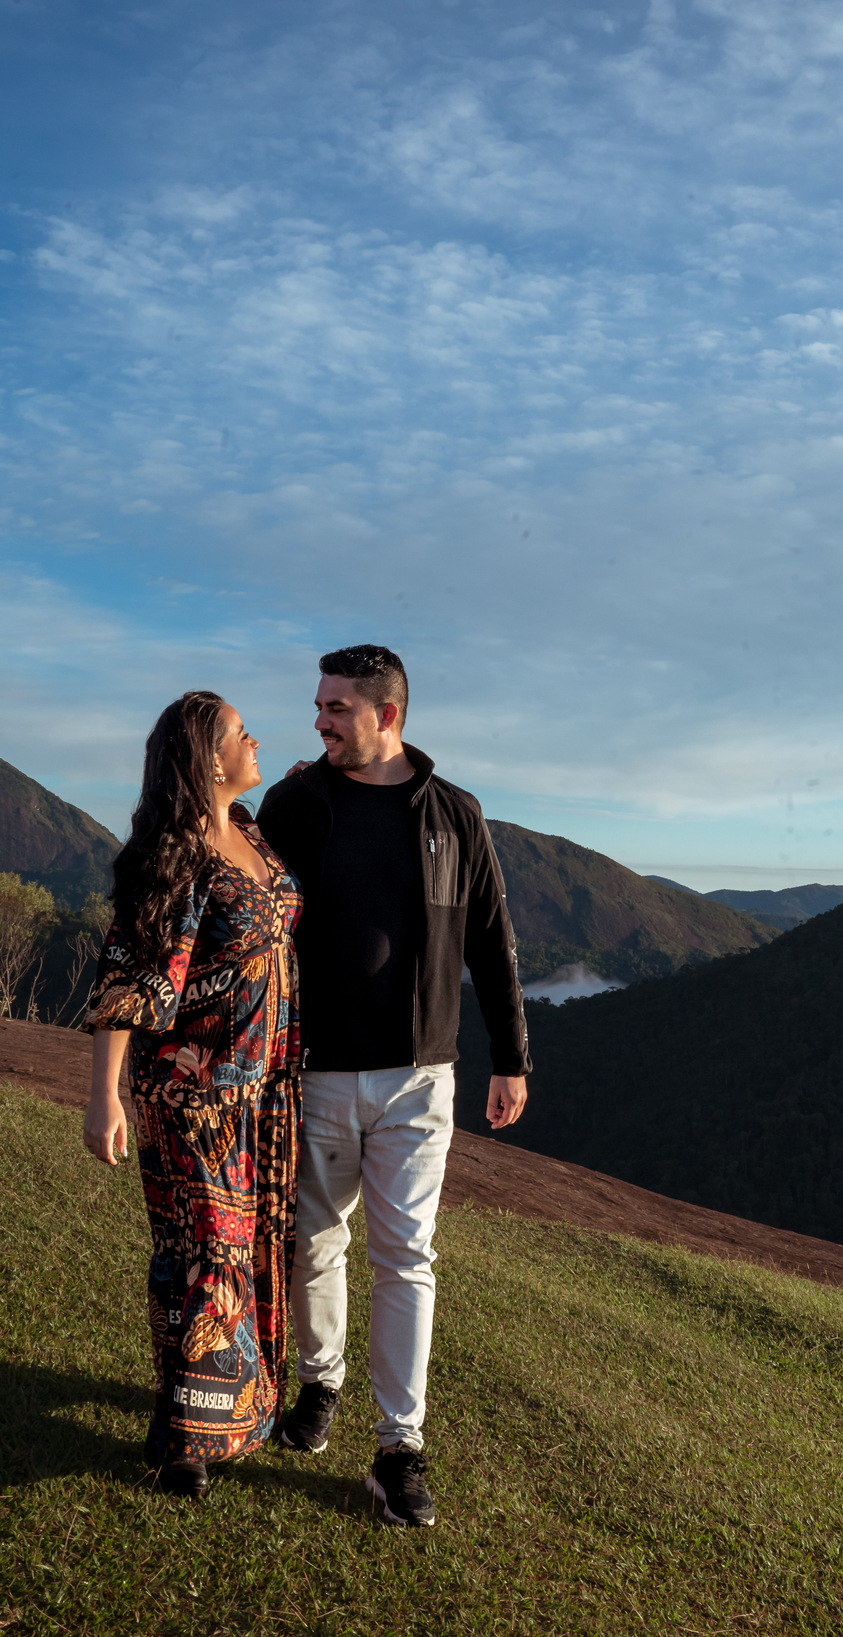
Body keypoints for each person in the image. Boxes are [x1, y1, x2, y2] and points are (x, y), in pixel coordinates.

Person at [255, 644, 530, 1528]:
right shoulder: (294, 804)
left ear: (390, 715)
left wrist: (512, 1056)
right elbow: (248, 911)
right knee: (312, 1244)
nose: (321, 719)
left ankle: (399, 1448)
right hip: (317, 1072)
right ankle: (318, 1385)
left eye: (337, 706)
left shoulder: (455, 814)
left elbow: (492, 939)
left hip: (421, 1077)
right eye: (319, 704)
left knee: (407, 1257)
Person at [82, 690, 303, 1501]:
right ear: (210, 759)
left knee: (242, 1252)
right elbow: (130, 974)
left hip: (264, 1095)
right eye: (243, 734)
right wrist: (102, 1095)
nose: (256, 742)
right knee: (210, 1256)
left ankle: (194, 1415)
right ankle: (187, 1440)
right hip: (191, 1093)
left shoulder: (249, 835)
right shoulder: (174, 855)